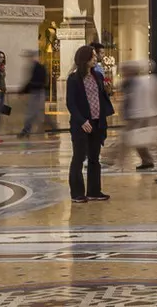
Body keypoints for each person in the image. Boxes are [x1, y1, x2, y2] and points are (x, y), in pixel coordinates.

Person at [65, 44, 113, 203]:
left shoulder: (97, 76)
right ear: (84, 59)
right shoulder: (73, 79)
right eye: (92, 56)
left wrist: (107, 91)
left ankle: (94, 191)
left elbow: (101, 97)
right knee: (79, 157)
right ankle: (77, 193)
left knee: (94, 158)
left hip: (97, 122)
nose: (95, 58)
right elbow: (70, 103)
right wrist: (81, 120)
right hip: (81, 123)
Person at [121, 59, 157, 171]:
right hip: (141, 114)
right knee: (139, 139)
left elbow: (154, 97)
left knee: (152, 139)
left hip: (144, 114)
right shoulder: (136, 81)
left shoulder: (146, 81)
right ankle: (148, 161)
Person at [17, 50, 51, 138]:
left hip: (38, 92)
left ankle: (26, 130)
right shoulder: (34, 67)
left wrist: (23, 90)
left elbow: (35, 81)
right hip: (36, 92)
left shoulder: (39, 67)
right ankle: (51, 127)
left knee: (32, 112)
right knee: (36, 112)